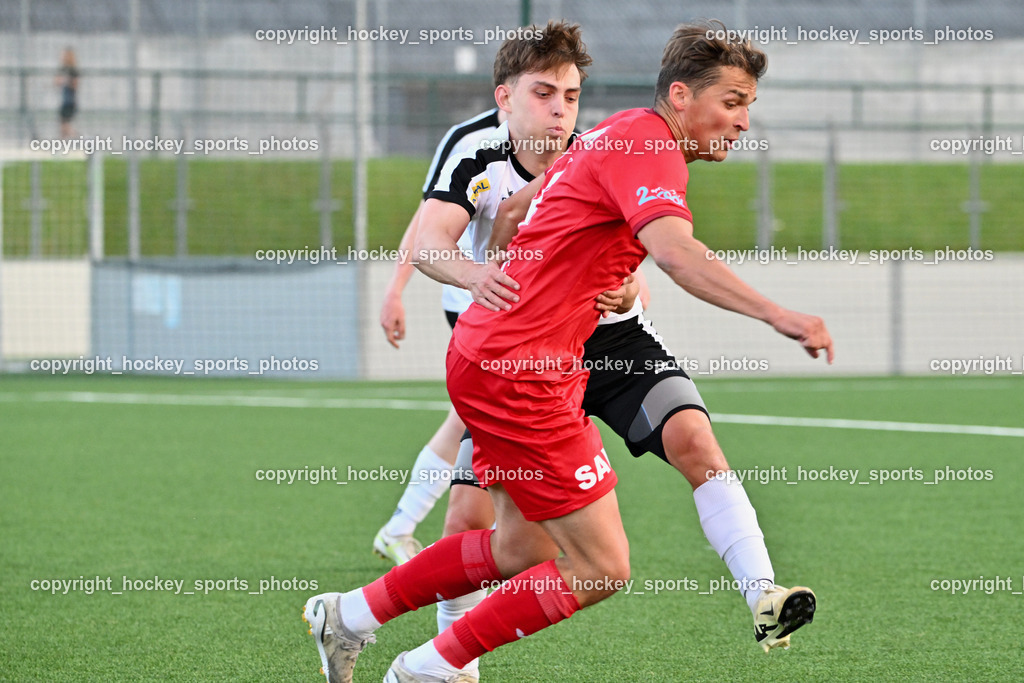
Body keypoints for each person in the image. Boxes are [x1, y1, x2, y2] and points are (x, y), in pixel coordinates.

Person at [306, 20, 833, 682]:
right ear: (680, 96)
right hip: (525, 368)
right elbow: (676, 253)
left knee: (520, 544)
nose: (743, 122)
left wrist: (568, 270)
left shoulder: (613, 134)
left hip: (493, 351)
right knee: (602, 565)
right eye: (732, 102)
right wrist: (777, 313)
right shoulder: (649, 148)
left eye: (748, 105)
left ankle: (349, 615)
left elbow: (523, 209)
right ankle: (428, 667)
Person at [372, 107, 504, 566]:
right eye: (541, 89)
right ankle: (470, 540)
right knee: (478, 419)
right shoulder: (469, 138)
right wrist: (395, 288)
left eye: (568, 93)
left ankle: (402, 527)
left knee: (465, 420)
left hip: (536, 307)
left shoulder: (566, 137)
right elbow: (426, 218)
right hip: (470, 299)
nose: (558, 104)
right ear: (507, 92)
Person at [55, 47, 79, 139]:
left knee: (66, 127)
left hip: (70, 101)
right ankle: (62, 147)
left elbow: (76, 85)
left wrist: (67, 81)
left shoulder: (73, 70)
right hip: (64, 101)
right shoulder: (62, 69)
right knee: (63, 128)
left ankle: (84, 140)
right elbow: (56, 82)